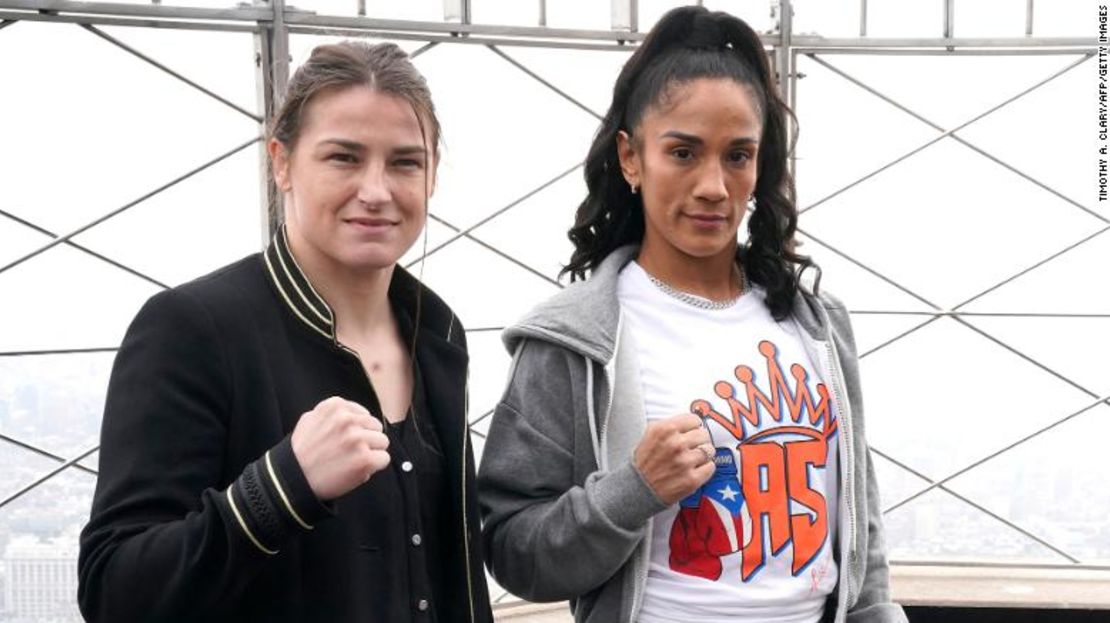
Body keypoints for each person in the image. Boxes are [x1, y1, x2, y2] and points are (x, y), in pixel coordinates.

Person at [478, 6, 907, 623]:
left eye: (738, 156)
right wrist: (632, 492)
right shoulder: (575, 339)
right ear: (631, 158)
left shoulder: (817, 324)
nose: (714, 185)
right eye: (683, 152)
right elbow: (513, 551)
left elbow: (860, 523)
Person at [78, 41, 493, 623]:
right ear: (281, 163)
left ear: (432, 176)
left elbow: (455, 576)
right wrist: (282, 487)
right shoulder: (193, 329)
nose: (376, 191)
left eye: (405, 162)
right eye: (344, 158)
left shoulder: (437, 330)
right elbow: (114, 590)